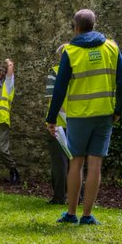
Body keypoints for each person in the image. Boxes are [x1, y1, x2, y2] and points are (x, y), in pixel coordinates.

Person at [46, 9, 122, 225]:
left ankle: (71, 213)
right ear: (94, 25)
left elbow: (60, 88)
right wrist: (118, 110)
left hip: (79, 115)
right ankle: (87, 215)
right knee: (95, 165)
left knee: (76, 163)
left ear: (75, 27)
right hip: (104, 114)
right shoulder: (112, 47)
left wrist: (51, 117)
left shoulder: (71, 51)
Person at [43, 45, 70, 203]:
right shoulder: (79, 72)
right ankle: (76, 197)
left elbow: (53, 99)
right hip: (77, 122)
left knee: (59, 162)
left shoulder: (55, 72)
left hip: (58, 124)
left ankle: (59, 197)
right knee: (76, 162)